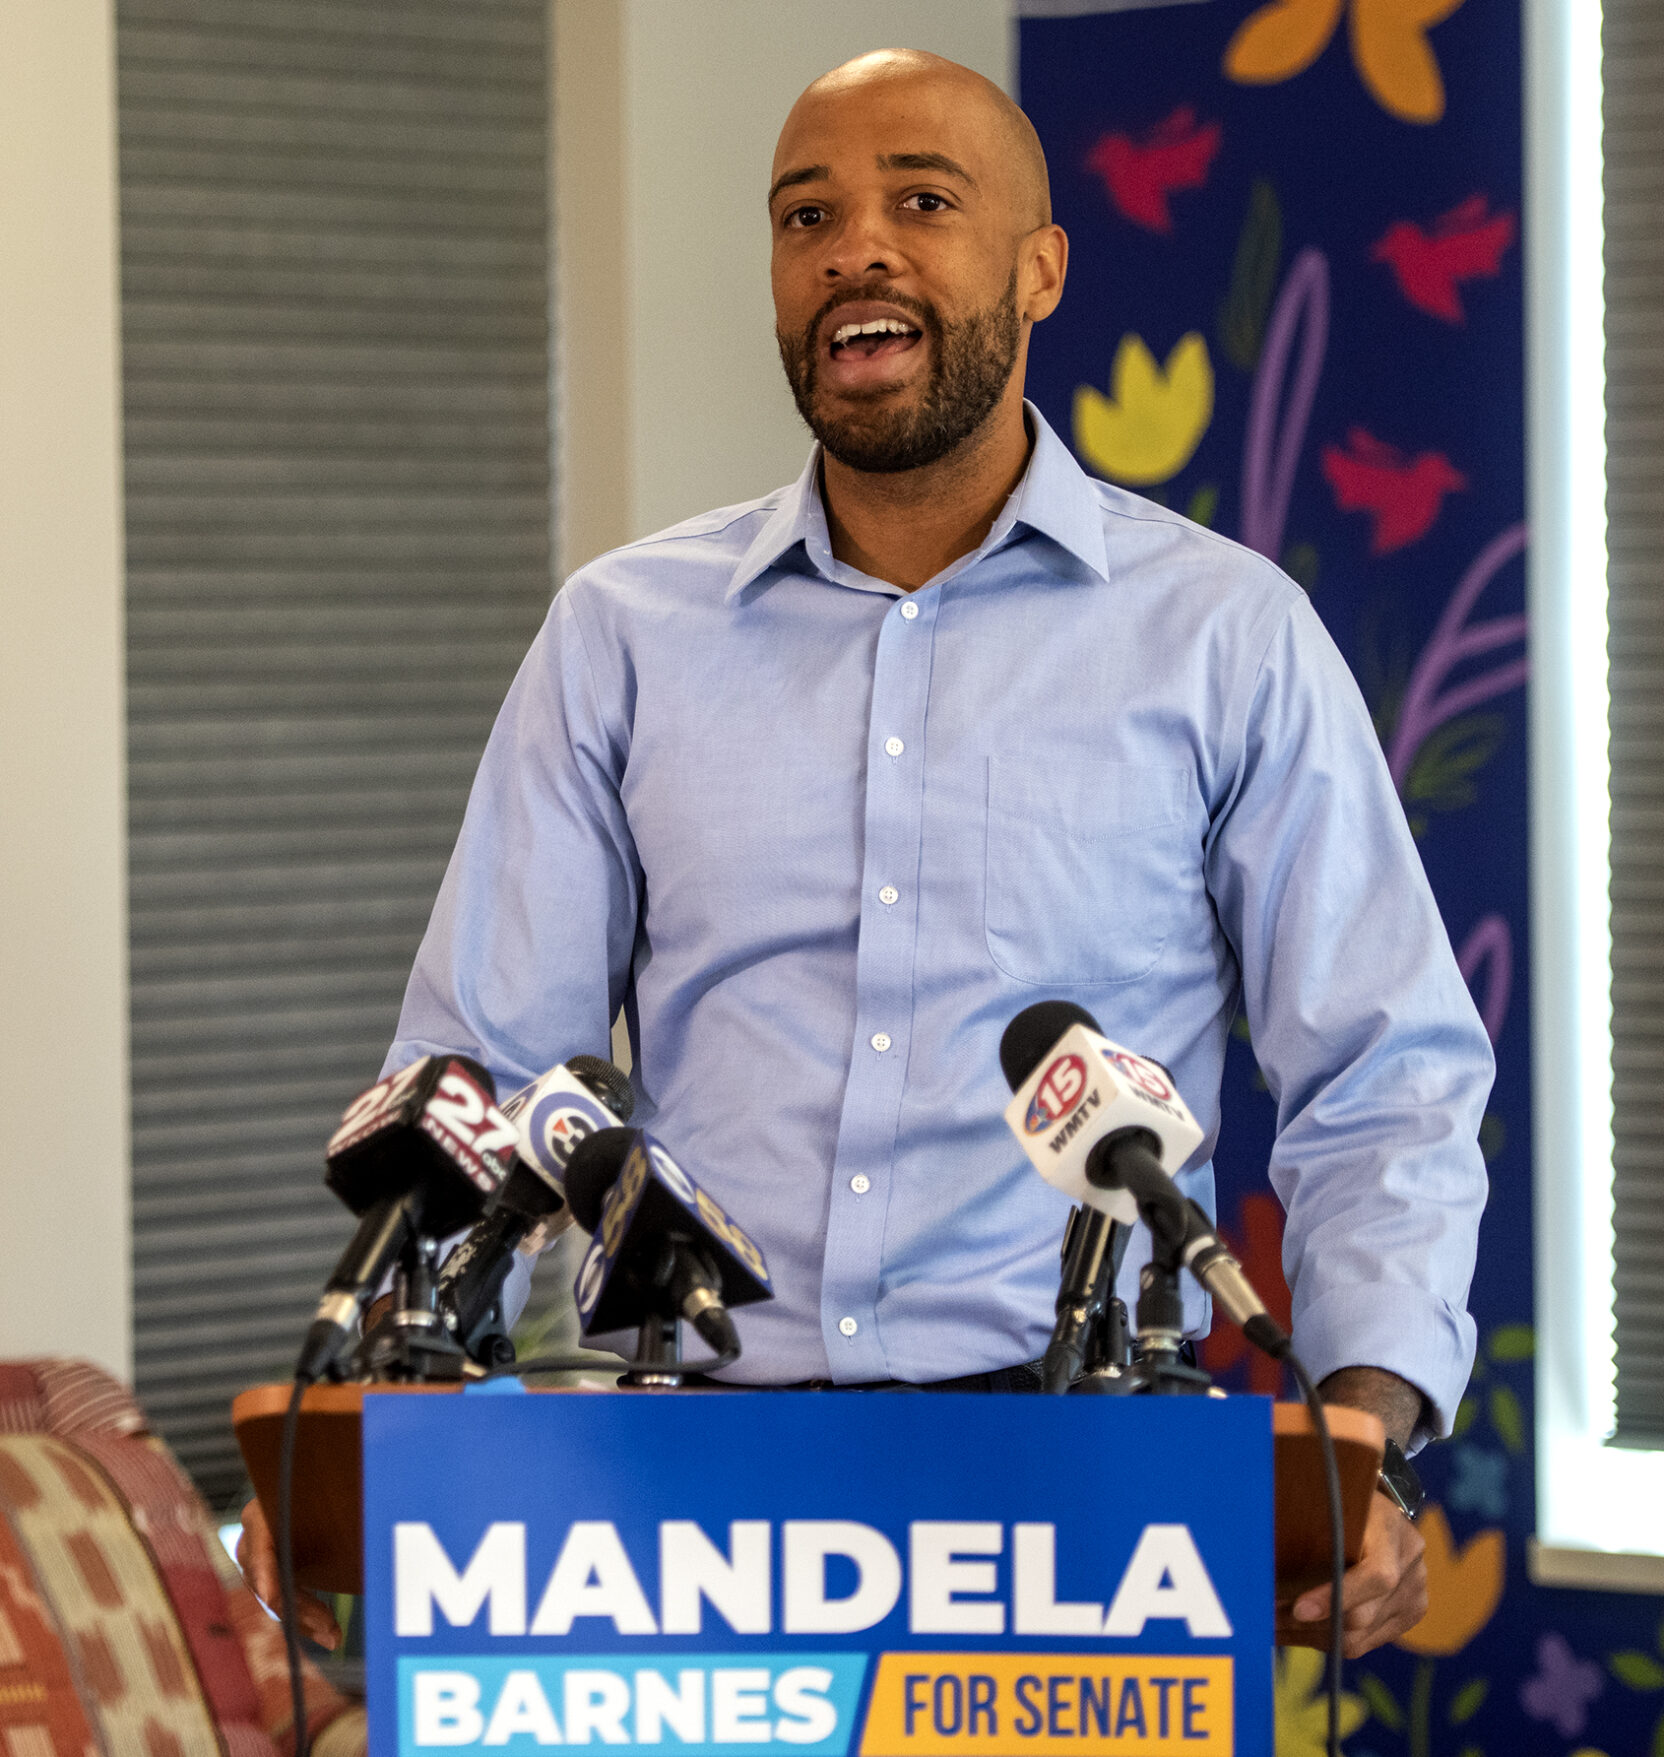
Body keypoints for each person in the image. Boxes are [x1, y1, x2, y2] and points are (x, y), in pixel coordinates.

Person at [243, 49, 1487, 1660]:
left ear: (1041, 266)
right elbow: (479, 1073)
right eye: (806, 214)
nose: (855, 247)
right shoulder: (623, 637)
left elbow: (1383, 1073)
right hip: (682, 1501)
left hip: (1087, 1501)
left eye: (923, 200)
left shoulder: (1227, 639)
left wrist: (1367, 1428)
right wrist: (365, 1418)